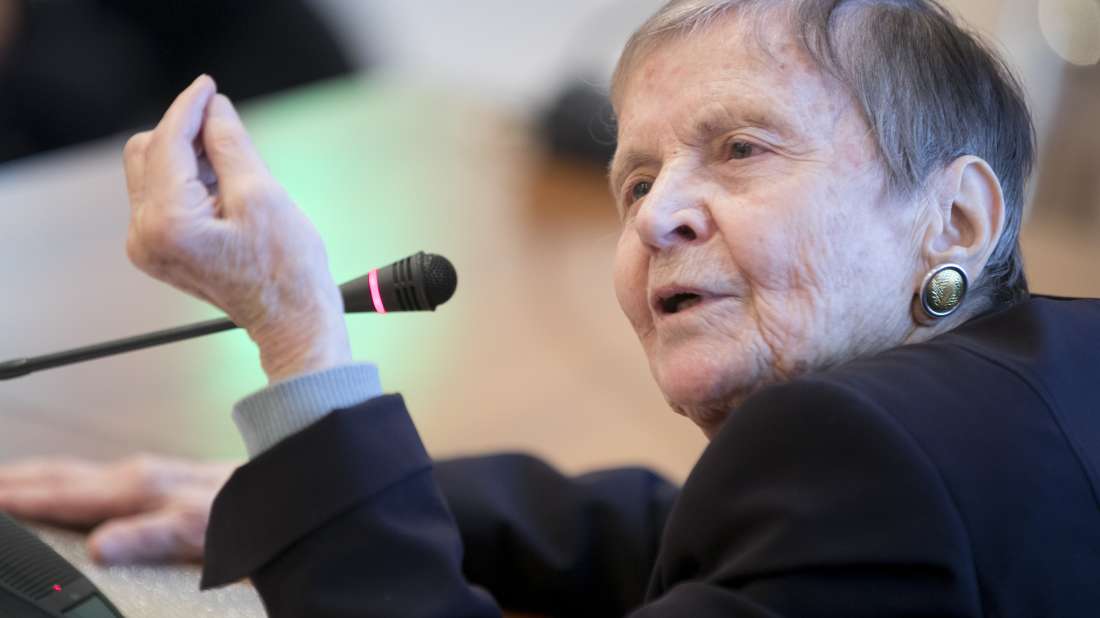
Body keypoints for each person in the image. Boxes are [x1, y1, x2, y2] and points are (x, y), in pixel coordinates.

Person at [3, 0, 1100, 615]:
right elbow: (717, 537)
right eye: (636, 180)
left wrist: (299, 343)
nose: (656, 216)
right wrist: (327, 493)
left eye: (740, 148)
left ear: (956, 217)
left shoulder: (872, 456)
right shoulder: (1015, 390)